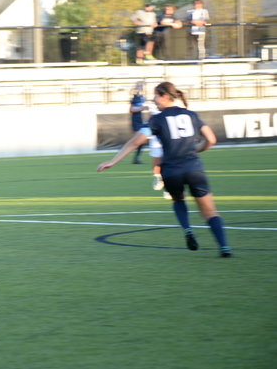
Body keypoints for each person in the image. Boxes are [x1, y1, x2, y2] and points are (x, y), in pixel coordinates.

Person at [97, 82, 232, 258]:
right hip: (194, 168)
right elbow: (211, 139)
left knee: (178, 200)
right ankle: (224, 247)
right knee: (209, 211)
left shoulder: (156, 119)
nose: (154, 100)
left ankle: (187, 230)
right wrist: (197, 149)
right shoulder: (191, 115)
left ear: (165, 97)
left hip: (171, 171)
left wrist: (114, 161)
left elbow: (136, 142)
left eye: (156, 96)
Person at [129, 81, 146, 164]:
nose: (141, 87)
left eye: (142, 86)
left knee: (141, 140)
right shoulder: (135, 97)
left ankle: (136, 158)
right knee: (139, 140)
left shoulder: (141, 97)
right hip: (135, 121)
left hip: (140, 121)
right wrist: (140, 109)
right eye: (140, 86)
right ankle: (135, 158)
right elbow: (131, 109)